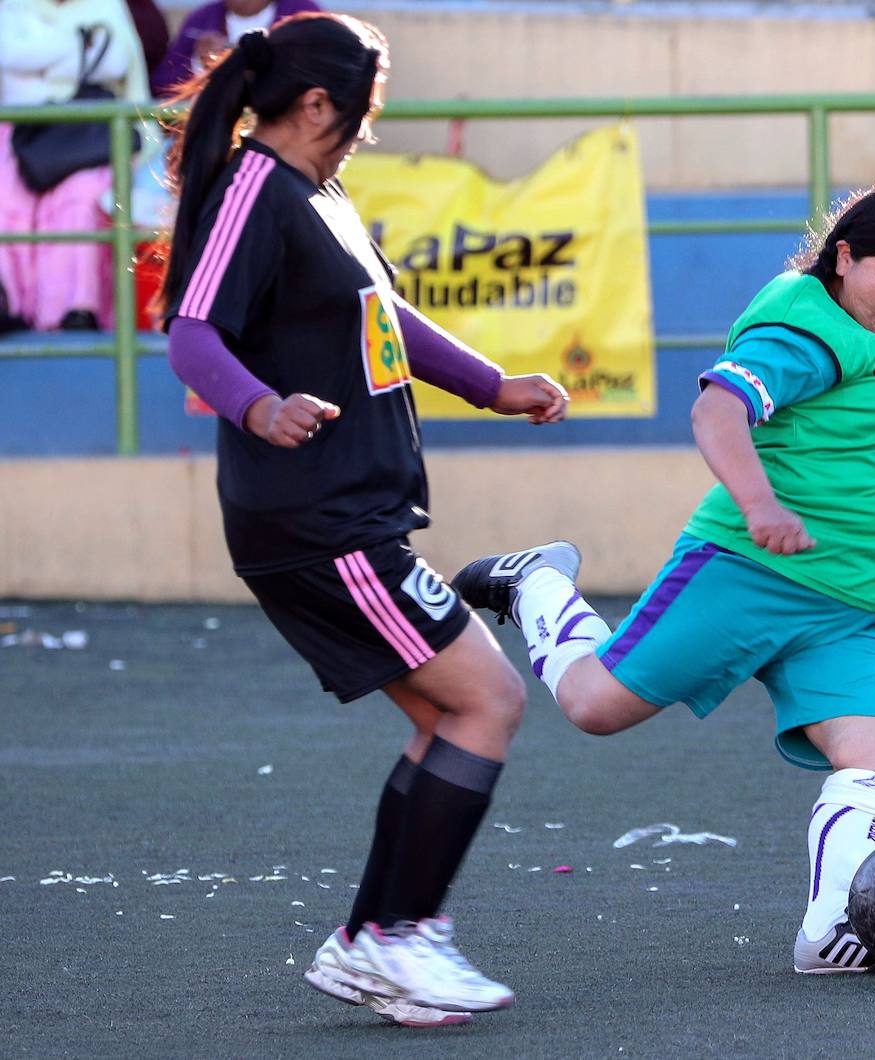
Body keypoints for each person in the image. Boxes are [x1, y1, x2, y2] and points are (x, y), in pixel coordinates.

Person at [455, 174, 875, 974]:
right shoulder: (804, 332)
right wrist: (759, 507)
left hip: (852, 602)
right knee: (593, 706)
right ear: (843, 258)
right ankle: (535, 580)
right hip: (751, 573)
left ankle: (830, 932)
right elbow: (717, 410)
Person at [158, 13, 569, 1027]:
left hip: (349, 516)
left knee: (446, 717)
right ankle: (393, 938)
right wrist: (260, 404)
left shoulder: (317, 193)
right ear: (314, 104)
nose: (366, 132)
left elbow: (383, 318)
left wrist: (490, 384)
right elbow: (191, 328)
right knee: (489, 700)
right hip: (316, 521)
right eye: (364, 113)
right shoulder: (254, 189)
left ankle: (378, 939)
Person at [0, 0, 150, 332]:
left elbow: (113, 63)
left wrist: (40, 57)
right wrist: (75, 43)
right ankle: (8, 302)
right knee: (5, 198)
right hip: (15, 136)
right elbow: (9, 55)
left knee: (80, 200)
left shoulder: (105, 5)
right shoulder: (11, 7)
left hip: (83, 139)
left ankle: (77, 310)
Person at [151, 0, 318, 97]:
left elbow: (319, 76)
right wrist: (198, 64)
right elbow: (162, 87)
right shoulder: (201, 19)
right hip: (209, 133)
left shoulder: (303, 15)